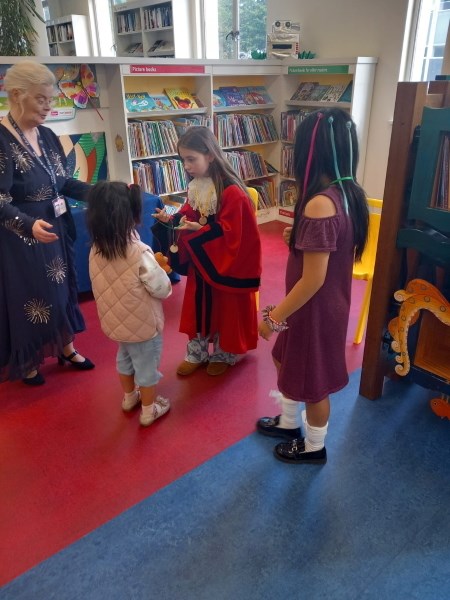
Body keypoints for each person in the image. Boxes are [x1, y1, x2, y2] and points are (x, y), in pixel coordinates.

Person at [256, 108, 369, 465]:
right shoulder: (346, 194)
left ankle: (314, 447)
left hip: (312, 310)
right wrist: (298, 237)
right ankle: (290, 423)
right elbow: (328, 249)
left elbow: (313, 278)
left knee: (313, 381)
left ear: (311, 152)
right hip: (318, 306)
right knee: (285, 360)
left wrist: (274, 317)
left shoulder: (321, 204)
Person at [0, 61, 95, 386]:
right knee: (32, 296)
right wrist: (27, 225)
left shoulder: (48, 134)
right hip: (22, 235)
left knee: (62, 291)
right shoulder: (1, 139)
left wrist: (101, 192)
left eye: (50, 99)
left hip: (56, 226)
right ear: (17, 94)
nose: (49, 106)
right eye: (42, 99)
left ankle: (66, 347)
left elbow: (62, 181)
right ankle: (28, 358)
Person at [152, 126, 262, 377]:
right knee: (198, 306)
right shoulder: (196, 185)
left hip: (225, 263)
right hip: (203, 263)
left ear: (210, 155)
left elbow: (235, 233)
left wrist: (199, 231)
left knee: (226, 308)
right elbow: (190, 213)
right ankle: (197, 352)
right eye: (183, 160)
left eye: (192, 159)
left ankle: (225, 352)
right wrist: (171, 220)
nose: (187, 166)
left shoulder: (233, 192)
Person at [87, 181, 172, 427]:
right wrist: (163, 270)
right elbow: (162, 288)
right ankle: (148, 410)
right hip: (143, 324)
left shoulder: (95, 248)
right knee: (147, 367)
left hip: (116, 322)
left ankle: (129, 398)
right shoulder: (139, 251)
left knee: (124, 359)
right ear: (130, 215)